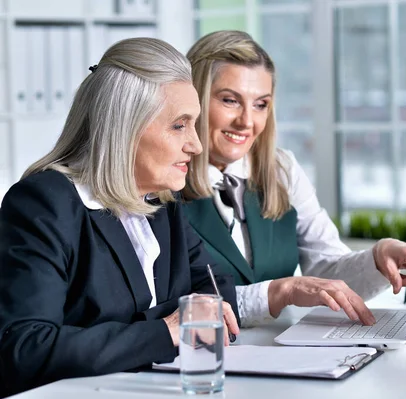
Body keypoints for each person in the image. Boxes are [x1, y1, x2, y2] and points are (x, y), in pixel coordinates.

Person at [0, 38, 240, 397]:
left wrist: (154, 330)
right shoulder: (43, 203)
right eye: (179, 125)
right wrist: (166, 330)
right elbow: (24, 348)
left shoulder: (163, 202)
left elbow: (216, 293)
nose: (197, 145)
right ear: (125, 128)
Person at [183, 30, 406, 327]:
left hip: (278, 353)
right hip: (201, 359)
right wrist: (280, 292)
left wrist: (378, 258)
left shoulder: (281, 170)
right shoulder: (161, 181)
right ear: (192, 99)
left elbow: (328, 269)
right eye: (229, 100)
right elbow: (171, 305)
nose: (247, 121)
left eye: (260, 104)